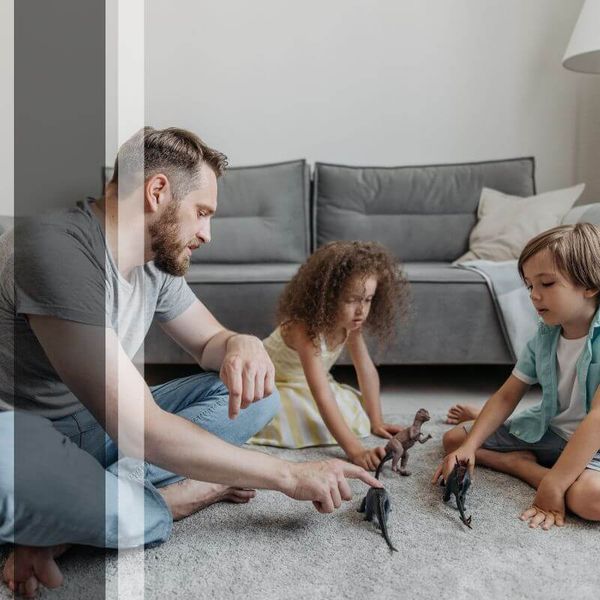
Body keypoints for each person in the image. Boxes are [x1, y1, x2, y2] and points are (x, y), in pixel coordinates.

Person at [0, 127, 381, 597]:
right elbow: (140, 429)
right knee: (36, 475)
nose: (207, 233)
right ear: (157, 191)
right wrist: (287, 474)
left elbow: (209, 344)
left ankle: (70, 515)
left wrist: (240, 342)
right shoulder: (55, 249)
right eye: (202, 213)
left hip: (93, 428)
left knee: (259, 398)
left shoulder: (155, 263)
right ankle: (176, 498)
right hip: (23, 435)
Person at [432, 223, 600, 531]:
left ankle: (524, 467)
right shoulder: (545, 336)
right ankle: (526, 463)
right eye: (529, 286)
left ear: (590, 285)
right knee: (456, 440)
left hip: (594, 444)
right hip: (552, 431)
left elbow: (597, 419)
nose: (534, 296)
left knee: (589, 499)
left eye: (547, 283)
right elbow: (509, 394)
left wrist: (552, 486)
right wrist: (470, 447)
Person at [250, 241, 410, 471]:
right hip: (271, 383)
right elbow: (322, 394)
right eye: (352, 300)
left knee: (353, 409)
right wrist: (355, 450)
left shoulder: (351, 324)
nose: (361, 310)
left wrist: (376, 420)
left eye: (368, 300)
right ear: (326, 296)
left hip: (306, 383)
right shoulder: (303, 328)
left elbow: (365, 369)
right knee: (301, 415)